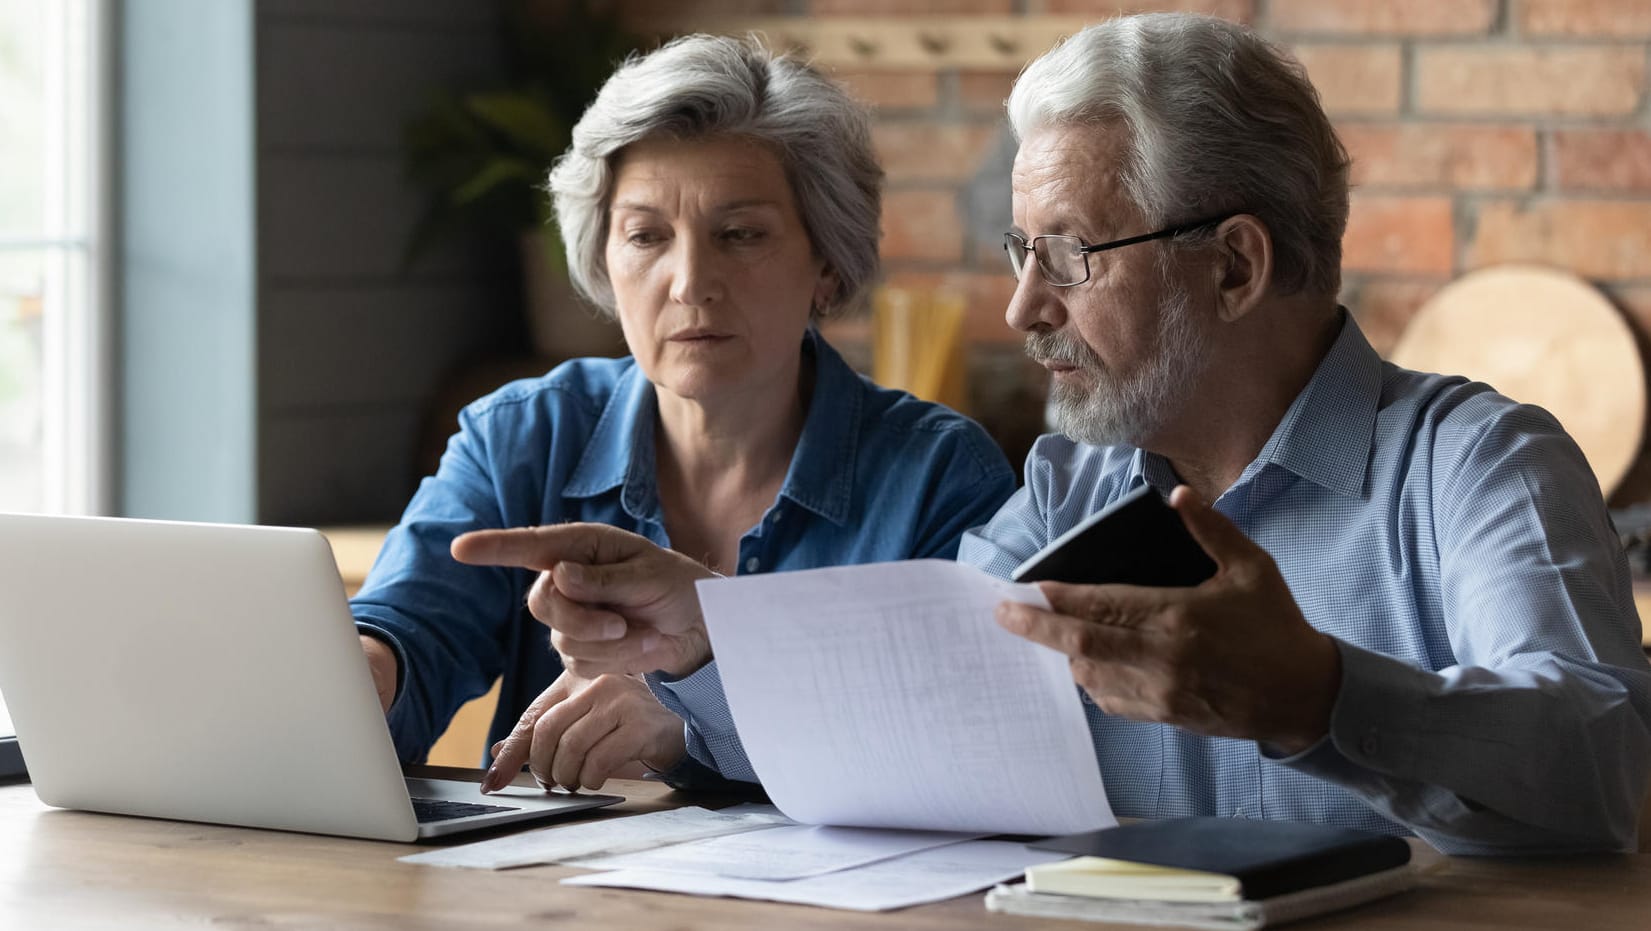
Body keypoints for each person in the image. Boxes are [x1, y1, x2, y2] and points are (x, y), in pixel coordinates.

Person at [473, 13, 1651, 855]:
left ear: (1234, 265)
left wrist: (1317, 696)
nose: (1021, 310)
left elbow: (1606, 767)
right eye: (1018, 253)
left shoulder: (1477, 462)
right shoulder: (1066, 486)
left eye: (1070, 256)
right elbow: (918, 700)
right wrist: (710, 634)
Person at [352, 34, 1016, 792]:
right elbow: (410, 629)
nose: (690, 282)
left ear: (826, 265)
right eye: (646, 236)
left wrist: (694, 722)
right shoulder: (522, 435)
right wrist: (362, 678)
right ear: (604, 260)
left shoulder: (939, 476)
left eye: (740, 235)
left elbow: (961, 742)